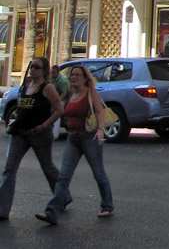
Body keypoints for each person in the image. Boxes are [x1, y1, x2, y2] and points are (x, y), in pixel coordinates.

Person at [36, 64, 113, 224]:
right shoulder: (72, 94)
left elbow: (99, 112)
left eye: (78, 75)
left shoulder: (91, 93)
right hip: (73, 137)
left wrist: (100, 130)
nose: (74, 77)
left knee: (98, 173)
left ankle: (107, 205)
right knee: (63, 176)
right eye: (72, 75)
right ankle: (52, 212)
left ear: (85, 78)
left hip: (89, 137)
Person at [0, 57, 65, 221]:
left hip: (39, 133)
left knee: (48, 167)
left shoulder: (47, 87)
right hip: (20, 132)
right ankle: (2, 210)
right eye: (32, 66)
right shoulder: (26, 85)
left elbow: (59, 110)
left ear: (44, 70)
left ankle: (63, 196)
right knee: (9, 169)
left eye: (37, 67)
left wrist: (45, 125)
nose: (33, 69)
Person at [50, 65, 69, 140]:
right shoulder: (51, 79)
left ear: (58, 72)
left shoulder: (62, 80)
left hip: (62, 99)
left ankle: (55, 134)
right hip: (53, 99)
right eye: (51, 72)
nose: (52, 74)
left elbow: (64, 93)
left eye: (54, 73)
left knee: (57, 113)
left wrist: (58, 101)